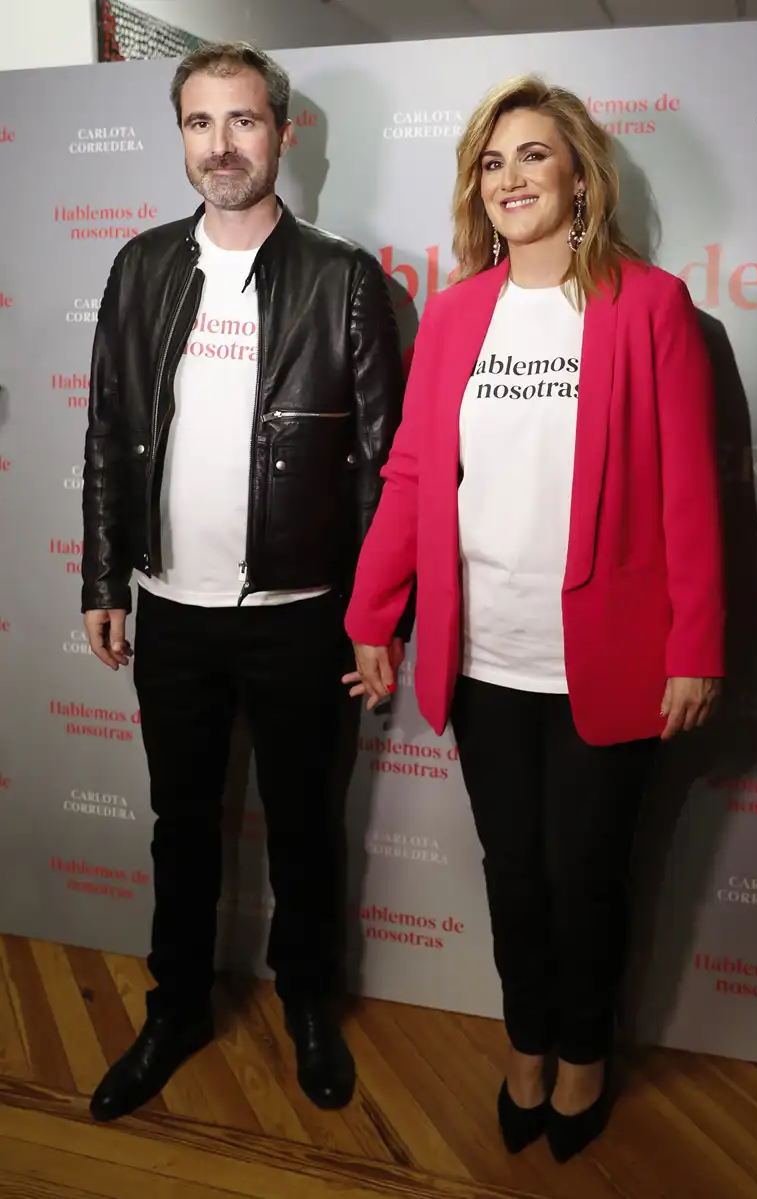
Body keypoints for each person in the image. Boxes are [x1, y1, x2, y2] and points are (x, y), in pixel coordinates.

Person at [343, 75, 724, 1164]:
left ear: (577, 174)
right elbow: (415, 470)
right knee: (511, 868)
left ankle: (583, 1052)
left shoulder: (645, 305)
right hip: (485, 657)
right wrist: (374, 611)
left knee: (586, 874)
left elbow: (687, 492)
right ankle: (526, 1043)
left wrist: (693, 642)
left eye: (532, 155)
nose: (509, 177)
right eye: (490, 161)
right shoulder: (458, 310)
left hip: (608, 661)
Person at [82, 42, 405, 1122]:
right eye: (199, 124)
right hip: (169, 611)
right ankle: (173, 1006)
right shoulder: (138, 267)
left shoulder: (343, 277)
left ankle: (307, 999)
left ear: (283, 132)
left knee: (306, 820)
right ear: (181, 135)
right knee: (182, 821)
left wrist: (371, 613)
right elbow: (107, 434)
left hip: (301, 617)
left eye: (243, 122)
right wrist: (103, 576)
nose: (220, 146)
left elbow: (380, 463)